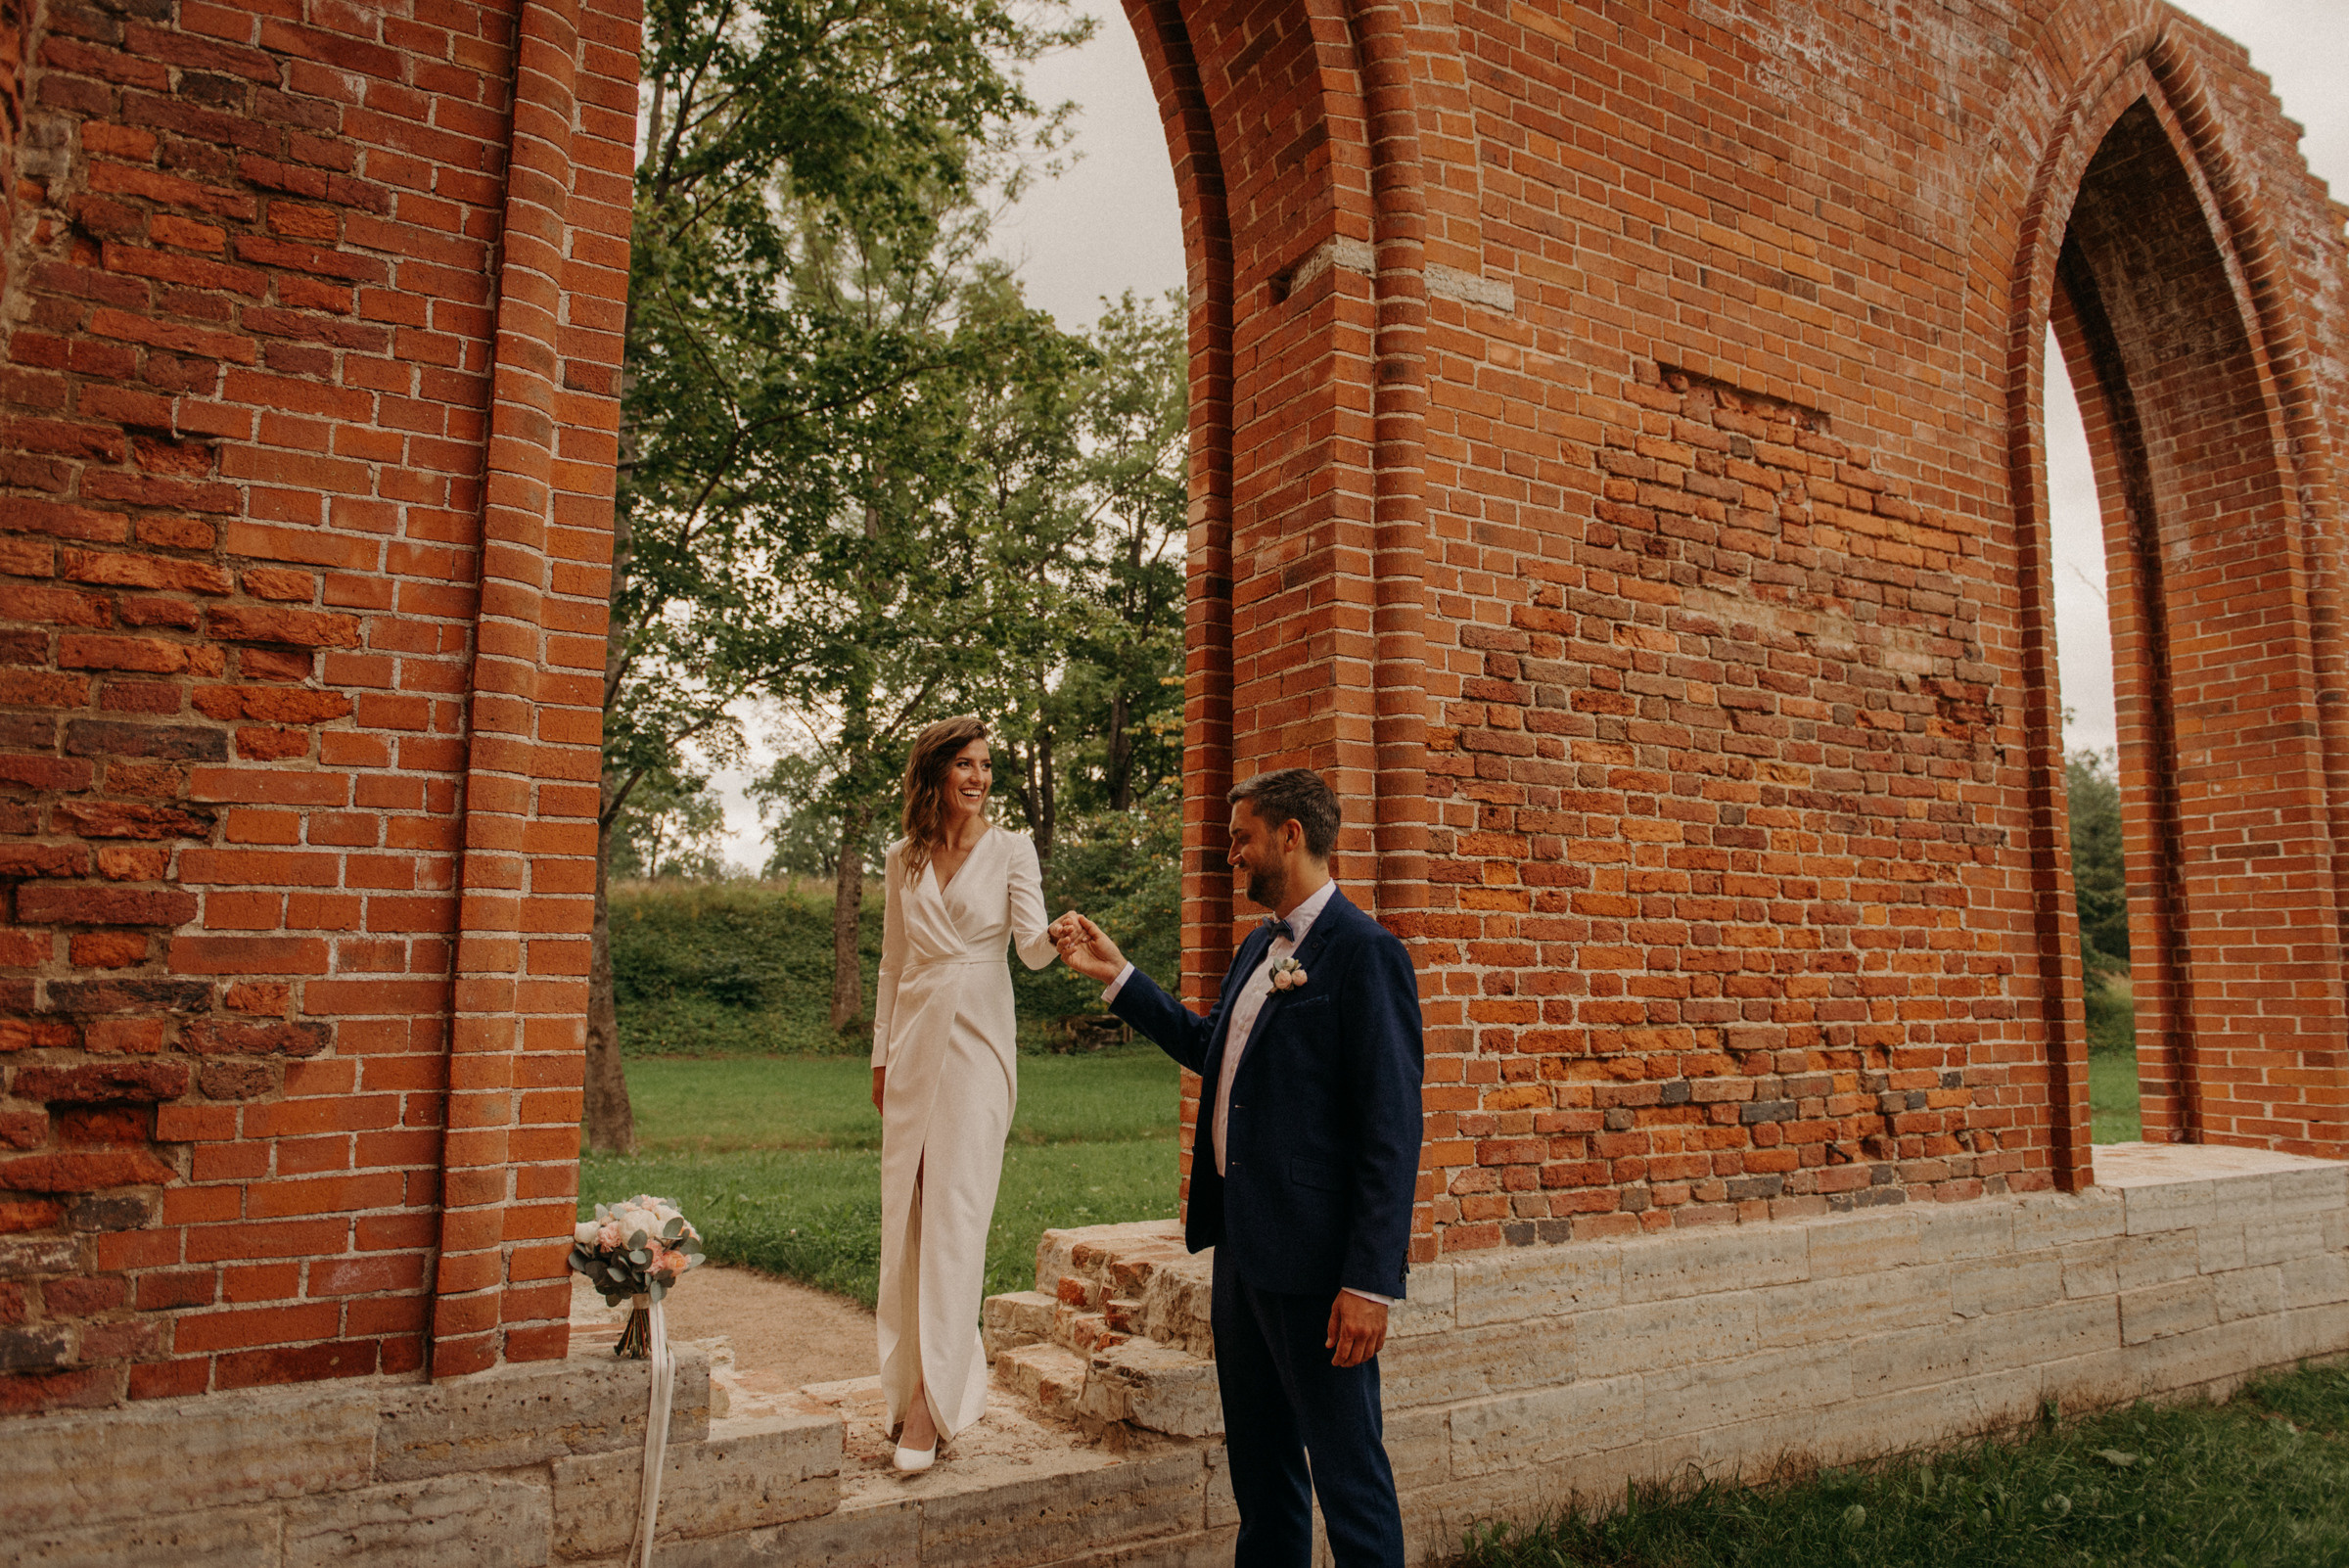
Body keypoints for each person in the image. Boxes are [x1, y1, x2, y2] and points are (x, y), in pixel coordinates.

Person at [1050, 768, 1423, 1568]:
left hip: (1322, 1275)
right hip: (1244, 1261)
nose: (1231, 856)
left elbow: (1391, 1132)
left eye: (1241, 838)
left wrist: (1369, 1283)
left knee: (1351, 1480)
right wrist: (1118, 977)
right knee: (1263, 1479)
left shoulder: (1367, 956)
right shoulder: (1260, 947)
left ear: (1290, 836)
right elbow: (1207, 1048)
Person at [870, 715, 1059, 1473]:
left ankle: (934, 1407)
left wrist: (1066, 939)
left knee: (955, 1214)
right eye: (965, 766)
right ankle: (909, 1381)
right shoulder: (902, 859)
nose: (979, 778)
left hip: (979, 1039)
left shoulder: (1012, 849)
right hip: (913, 1042)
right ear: (935, 774)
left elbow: (1033, 949)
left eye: (986, 765)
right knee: (909, 1216)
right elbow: (890, 963)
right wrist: (880, 1057)